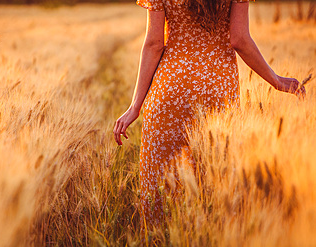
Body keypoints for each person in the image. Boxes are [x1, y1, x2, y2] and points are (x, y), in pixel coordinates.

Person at [113, 0, 306, 229]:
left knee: (162, 184)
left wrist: (135, 106)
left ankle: (161, 238)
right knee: (213, 179)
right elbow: (240, 39)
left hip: (170, 88)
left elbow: (154, 44)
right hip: (218, 88)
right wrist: (275, 80)